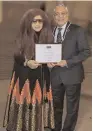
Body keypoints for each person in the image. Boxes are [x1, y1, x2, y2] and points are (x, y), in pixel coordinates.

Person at [3, 8, 55, 131]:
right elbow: (17, 56)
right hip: (24, 76)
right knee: (24, 104)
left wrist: (50, 64)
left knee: (38, 103)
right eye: (34, 21)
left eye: (40, 21)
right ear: (28, 23)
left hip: (41, 76)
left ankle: (36, 126)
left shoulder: (47, 37)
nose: (37, 24)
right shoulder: (21, 36)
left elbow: (49, 57)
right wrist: (27, 62)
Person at [47, 4, 90, 131]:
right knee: (55, 106)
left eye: (63, 13)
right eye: (57, 14)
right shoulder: (50, 31)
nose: (60, 16)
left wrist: (67, 62)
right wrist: (47, 62)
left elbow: (86, 52)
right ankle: (55, 128)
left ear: (67, 15)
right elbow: (47, 51)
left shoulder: (78, 30)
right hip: (55, 76)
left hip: (72, 74)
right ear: (54, 16)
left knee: (72, 109)